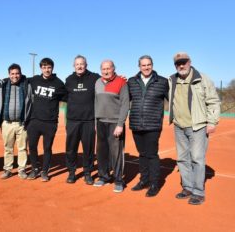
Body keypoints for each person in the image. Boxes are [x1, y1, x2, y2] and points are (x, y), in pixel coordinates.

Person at [168, 52, 220, 205]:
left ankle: (198, 192)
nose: (181, 65)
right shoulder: (172, 80)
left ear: (190, 62)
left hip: (197, 126)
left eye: (184, 62)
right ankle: (188, 187)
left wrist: (212, 122)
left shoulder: (202, 78)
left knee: (197, 158)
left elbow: (213, 101)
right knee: (182, 159)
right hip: (179, 126)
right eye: (178, 63)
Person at [127, 55, 169, 197]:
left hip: (153, 125)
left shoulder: (162, 82)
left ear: (152, 65)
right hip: (136, 124)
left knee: (151, 154)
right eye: (143, 65)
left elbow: (174, 100)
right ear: (139, 66)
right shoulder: (131, 82)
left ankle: (154, 184)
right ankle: (143, 180)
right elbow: (124, 99)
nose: (146, 67)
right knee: (142, 154)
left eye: (148, 64)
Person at [26, 57, 66, 182]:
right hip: (34, 120)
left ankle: (44, 171)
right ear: (41, 68)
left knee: (47, 148)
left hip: (50, 122)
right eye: (44, 67)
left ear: (52, 68)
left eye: (49, 67)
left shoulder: (58, 83)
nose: (47, 69)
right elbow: (19, 79)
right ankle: (34, 169)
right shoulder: (34, 80)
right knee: (32, 146)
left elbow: (69, 97)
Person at [94, 59, 129, 193]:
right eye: (103, 69)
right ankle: (103, 176)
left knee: (116, 153)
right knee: (101, 152)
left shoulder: (121, 82)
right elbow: (95, 103)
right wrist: (95, 122)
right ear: (101, 70)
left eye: (108, 68)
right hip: (100, 122)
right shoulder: (97, 82)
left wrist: (120, 124)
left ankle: (119, 180)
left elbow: (125, 104)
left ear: (113, 68)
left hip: (115, 122)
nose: (106, 71)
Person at [64, 55, 99, 185]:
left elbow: (108, 79)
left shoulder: (94, 78)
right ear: (74, 66)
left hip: (88, 121)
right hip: (73, 120)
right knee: (71, 148)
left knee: (88, 149)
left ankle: (88, 173)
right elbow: (63, 96)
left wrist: (119, 76)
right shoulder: (69, 79)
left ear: (86, 65)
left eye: (82, 64)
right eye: (77, 64)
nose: (79, 66)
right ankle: (72, 172)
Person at [0, 63, 31, 179]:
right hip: (7, 123)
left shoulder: (26, 85)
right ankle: (8, 169)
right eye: (12, 74)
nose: (15, 76)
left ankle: (21, 169)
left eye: (17, 73)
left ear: (20, 74)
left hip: (21, 123)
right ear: (9, 74)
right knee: (8, 148)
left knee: (22, 148)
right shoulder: (3, 85)